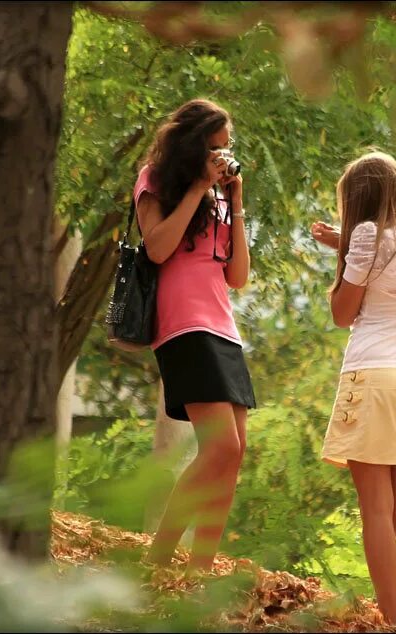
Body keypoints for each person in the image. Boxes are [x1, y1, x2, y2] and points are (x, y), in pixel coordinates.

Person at [310, 151, 396, 627]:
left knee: (376, 514)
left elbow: (344, 312)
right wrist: (342, 244)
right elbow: (385, 262)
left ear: (359, 198)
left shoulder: (365, 234)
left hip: (370, 381)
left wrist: (342, 256)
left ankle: (389, 623)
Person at [134, 98, 255, 575]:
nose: (222, 157)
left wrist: (236, 201)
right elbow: (158, 248)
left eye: (226, 149)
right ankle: (159, 560)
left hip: (223, 325)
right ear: (193, 143)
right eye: (215, 148)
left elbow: (238, 276)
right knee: (220, 448)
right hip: (183, 321)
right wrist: (199, 188)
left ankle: (200, 572)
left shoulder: (220, 196)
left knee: (233, 453)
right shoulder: (155, 179)